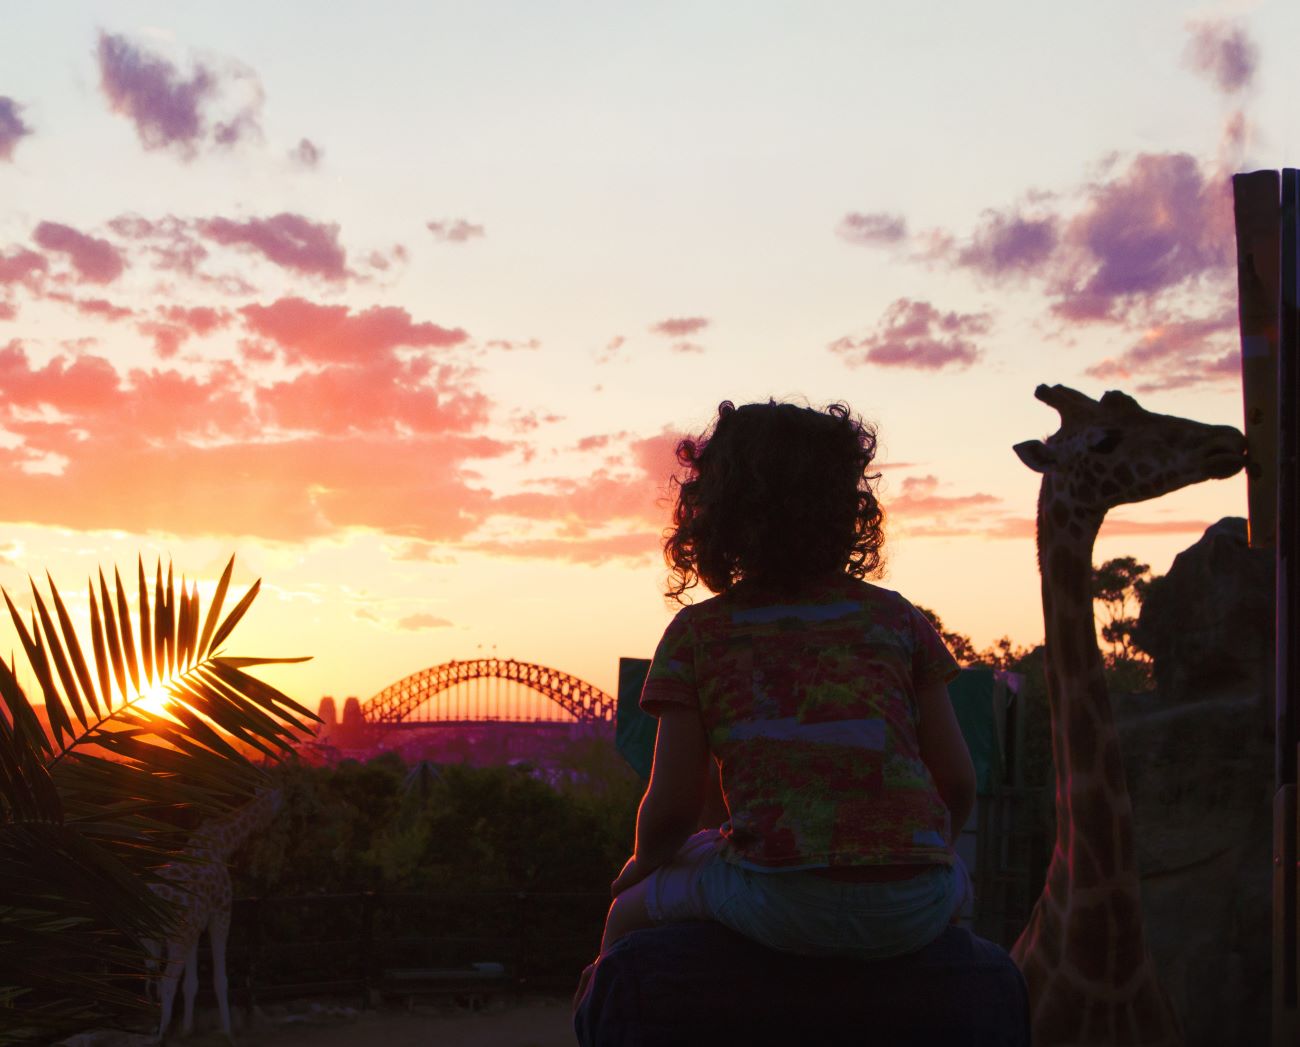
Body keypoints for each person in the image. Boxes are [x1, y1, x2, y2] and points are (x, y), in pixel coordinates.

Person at [594, 399, 977, 969]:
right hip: (916, 898)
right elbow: (957, 781)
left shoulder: (699, 633)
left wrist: (643, 864)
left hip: (779, 897)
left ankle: (598, 998)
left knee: (625, 915)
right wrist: (919, 857)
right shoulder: (897, 620)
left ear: (713, 513)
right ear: (848, 508)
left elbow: (674, 808)